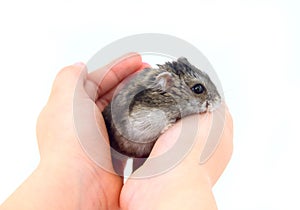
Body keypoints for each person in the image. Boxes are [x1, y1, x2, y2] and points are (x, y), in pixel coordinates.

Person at [0, 53, 233, 210]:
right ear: (166, 84)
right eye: (198, 90)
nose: (210, 100)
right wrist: (186, 176)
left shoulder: (167, 102)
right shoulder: (149, 104)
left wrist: (176, 172)